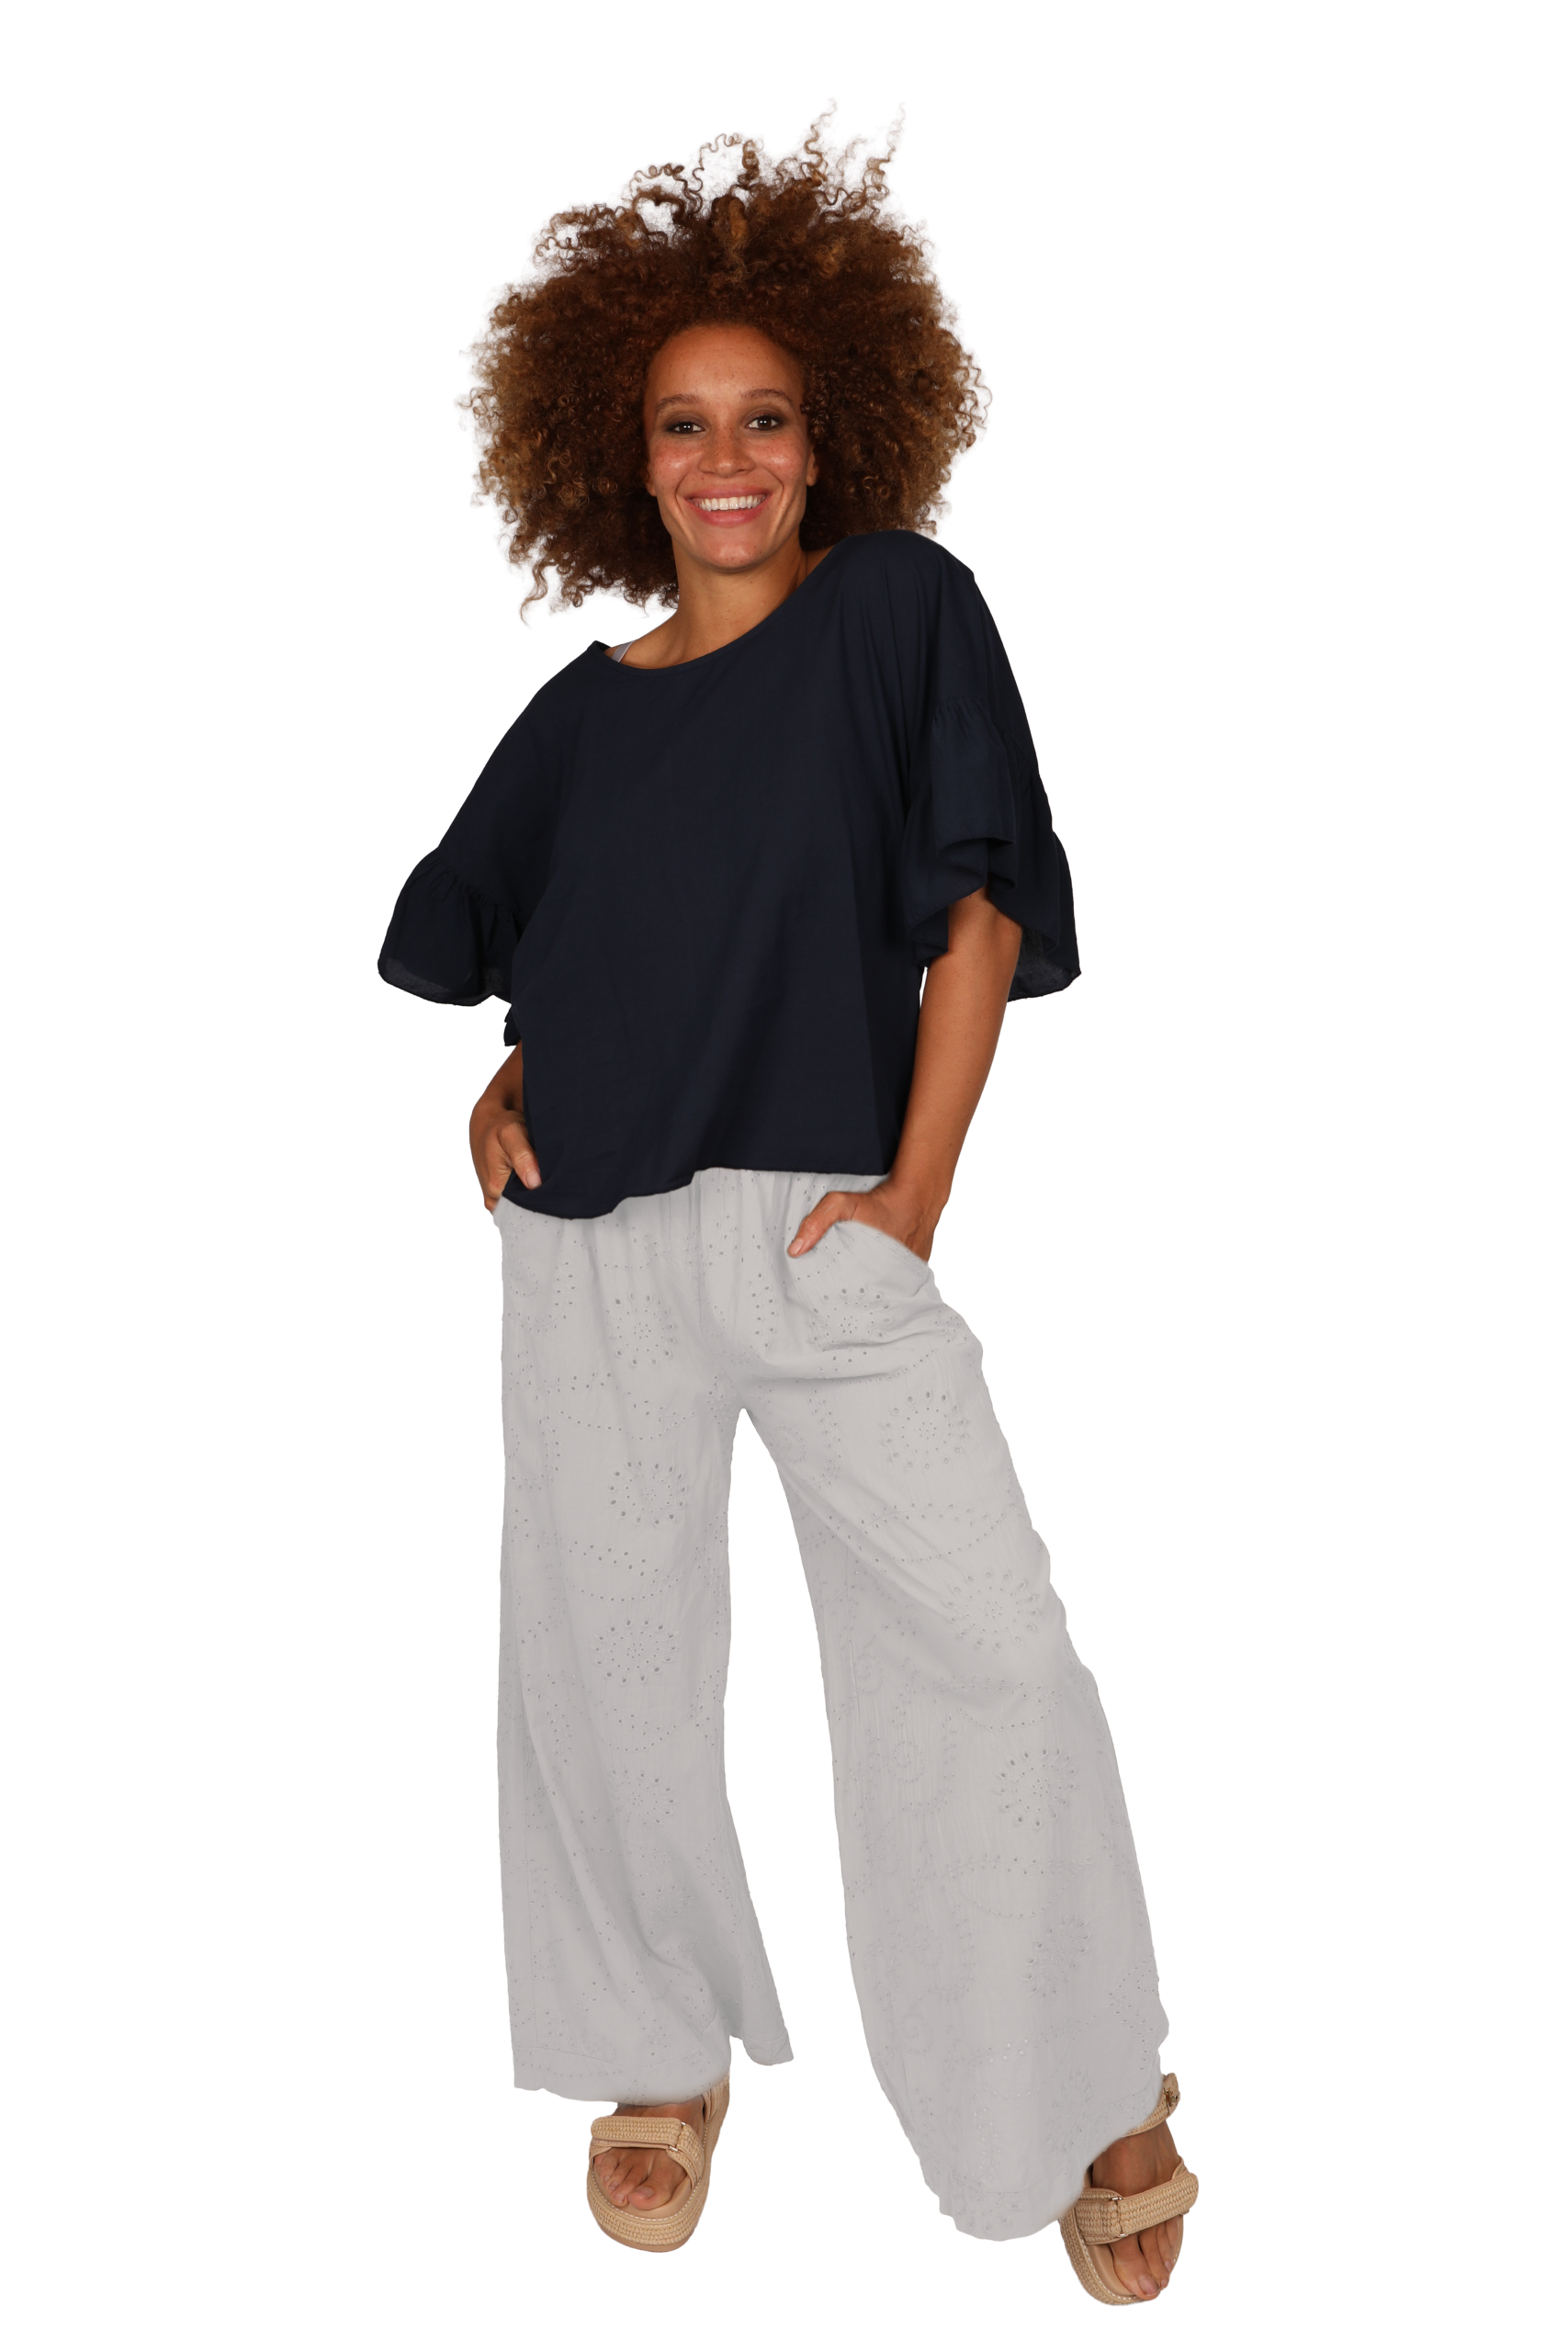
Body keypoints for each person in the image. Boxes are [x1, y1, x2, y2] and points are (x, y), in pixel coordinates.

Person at [379, 130, 1196, 2301]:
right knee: (604, 1661)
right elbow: (534, 948)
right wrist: (506, 1082)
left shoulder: (897, 612)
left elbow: (979, 908)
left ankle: (1080, 2071)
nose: (724, 459)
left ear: (830, 435)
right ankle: (654, 2050)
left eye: (762, 418)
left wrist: (915, 1189)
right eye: (682, 424)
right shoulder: (577, 716)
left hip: (826, 1223)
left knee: (986, 1650)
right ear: (621, 457)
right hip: (592, 1248)